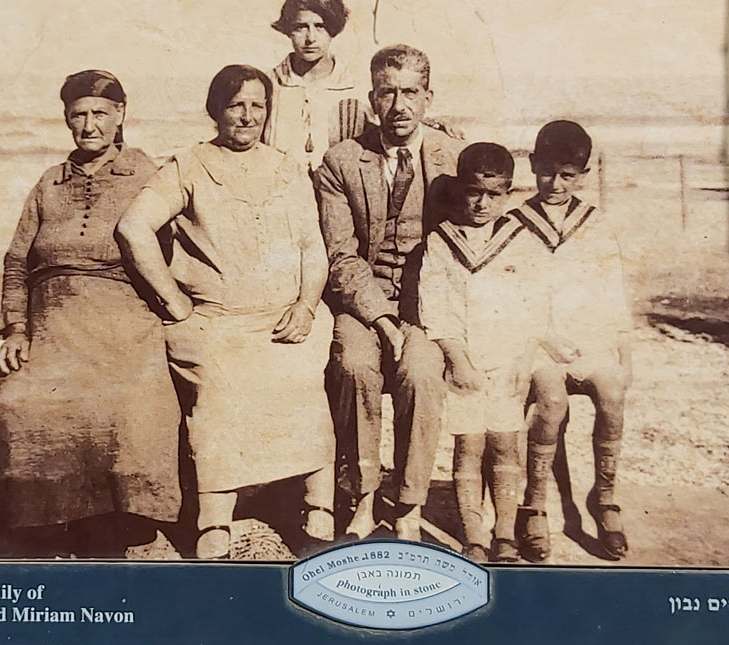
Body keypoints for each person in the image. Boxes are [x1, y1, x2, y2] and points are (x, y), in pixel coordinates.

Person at [115, 65, 336, 560]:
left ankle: (317, 500)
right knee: (218, 388)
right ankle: (216, 515)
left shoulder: (286, 167)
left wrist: (305, 305)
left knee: (302, 374)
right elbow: (133, 228)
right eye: (236, 104)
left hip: (286, 315)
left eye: (258, 105)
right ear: (216, 109)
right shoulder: (189, 165)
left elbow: (311, 247)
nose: (248, 115)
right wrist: (172, 300)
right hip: (217, 319)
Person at [0, 69, 181, 556]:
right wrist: (16, 328)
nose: (89, 125)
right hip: (51, 321)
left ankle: (121, 517)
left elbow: (174, 252)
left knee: (127, 404)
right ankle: (48, 519)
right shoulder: (48, 183)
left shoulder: (147, 174)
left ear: (120, 115)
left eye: (100, 113)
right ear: (66, 120)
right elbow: (16, 261)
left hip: (124, 318)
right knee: (21, 398)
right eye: (79, 115)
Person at [314, 44, 461, 541]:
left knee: (421, 373)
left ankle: (409, 504)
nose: (400, 105)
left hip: (426, 305)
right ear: (372, 100)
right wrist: (379, 319)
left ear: (428, 97)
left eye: (411, 93)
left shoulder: (453, 160)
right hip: (362, 303)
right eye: (387, 93)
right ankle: (362, 495)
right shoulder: (341, 163)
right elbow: (341, 255)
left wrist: (422, 321)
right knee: (354, 367)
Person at [510, 120, 634, 561]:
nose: (556, 184)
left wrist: (623, 350)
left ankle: (604, 497)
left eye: (568, 174)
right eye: (547, 172)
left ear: (583, 173)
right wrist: (543, 336)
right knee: (551, 401)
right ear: (532, 165)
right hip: (537, 344)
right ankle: (535, 504)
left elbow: (612, 290)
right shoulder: (515, 224)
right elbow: (509, 294)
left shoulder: (596, 225)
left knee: (613, 390)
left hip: (587, 340)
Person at [420, 143, 542, 563]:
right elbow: (434, 307)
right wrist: (458, 360)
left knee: (507, 447)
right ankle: (475, 534)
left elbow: (535, 307)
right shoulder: (442, 241)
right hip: (466, 364)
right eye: (474, 191)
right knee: (469, 447)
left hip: (507, 364)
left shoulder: (521, 241)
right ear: (460, 189)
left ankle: (505, 533)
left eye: (494, 194)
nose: (482, 203)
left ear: (508, 193)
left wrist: (525, 361)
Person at [266, 0, 367, 181]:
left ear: (333, 30)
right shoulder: (268, 84)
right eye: (300, 27)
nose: (310, 38)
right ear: (288, 30)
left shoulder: (357, 86)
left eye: (320, 27)